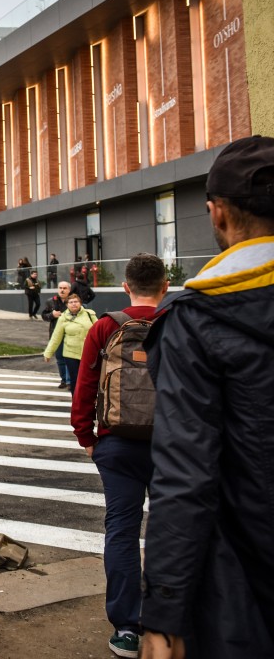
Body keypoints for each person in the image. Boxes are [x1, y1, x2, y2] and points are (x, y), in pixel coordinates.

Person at [141, 136, 274, 659]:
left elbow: (185, 472)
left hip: (243, 585)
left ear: (217, 215)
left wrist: (165, 610)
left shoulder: (196, 321)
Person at [71, 253, 168, 658]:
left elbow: (85, 387)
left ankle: (127, 629)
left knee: (123, 531)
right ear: (165, 287)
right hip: (172, 448)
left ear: (125, 287)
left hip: (117, 444)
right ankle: (168, 624)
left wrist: (88, 438)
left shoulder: (106, 326)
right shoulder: (176, 323)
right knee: (171, 532)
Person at [43, 292, 96, 391]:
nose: (73, 304)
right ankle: (76, 403)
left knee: (89, 380)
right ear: (67, 305)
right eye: (71, 302)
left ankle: (89, 403)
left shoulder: (89, 314)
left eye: (76, 301)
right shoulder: (63, 318)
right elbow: (56, 337)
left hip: (88, 352)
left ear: (80, 303)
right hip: (71, 354)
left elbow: (98, 331)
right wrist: (48, 353)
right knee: (74, 381)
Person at [42, 281, 73, 388]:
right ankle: (64, 380)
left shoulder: (73, 301)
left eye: (64, 288)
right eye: (60, 288)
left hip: (70, 334)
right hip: (56, 333)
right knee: (60, 359)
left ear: (69, 290)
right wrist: (52, 314)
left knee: (70, 358)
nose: (62, 290)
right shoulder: (51, 301)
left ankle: (70, 381)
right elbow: (44, 315)